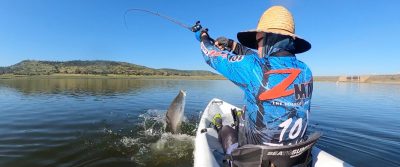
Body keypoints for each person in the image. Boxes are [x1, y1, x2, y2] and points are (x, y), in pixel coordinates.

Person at [194, 5, 313, 154]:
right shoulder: (306, 71)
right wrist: (231, 45)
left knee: (225, 130)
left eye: (258, 42)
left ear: (270, 39)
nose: (257, 48)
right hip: (294, 158)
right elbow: (260, 59)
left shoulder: (253, 69)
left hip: (257, 159)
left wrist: (203, 36)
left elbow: (211, 55)